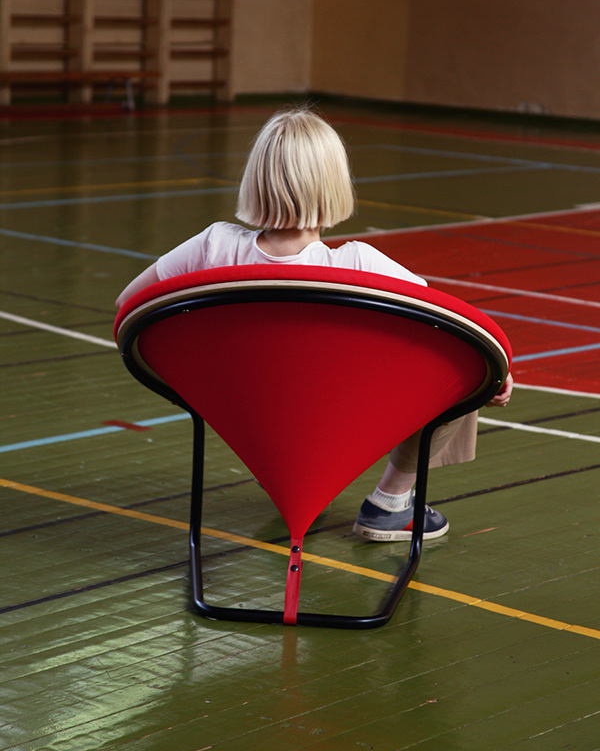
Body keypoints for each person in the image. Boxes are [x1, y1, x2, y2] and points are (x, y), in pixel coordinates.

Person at [116, 107, 513, 542]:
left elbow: (128, 306)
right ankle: (391, 503)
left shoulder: (212, 248)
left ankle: (283, 471)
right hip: (335, 417)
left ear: (256, 178)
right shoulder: (360, 264)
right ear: (333, 183)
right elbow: (455, 326)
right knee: (468, 368)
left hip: (252, 416)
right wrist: (498, 375)